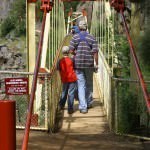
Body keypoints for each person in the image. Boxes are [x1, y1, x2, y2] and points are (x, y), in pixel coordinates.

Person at [69, 20, 99, 114]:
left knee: (81, 85)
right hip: (89, 64)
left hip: (78, 65)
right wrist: (96, 64)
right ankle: (89, 102)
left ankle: (83, 107)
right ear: (86, 27)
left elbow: (70, 50)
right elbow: (95, 52)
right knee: (89, 84)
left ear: (79, 27)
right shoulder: (92, 37)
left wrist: (76, 53)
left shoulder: (75, 37)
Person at [57, 46, 77, 114]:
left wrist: (61, 77)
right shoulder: (72, 60)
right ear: (68, 52)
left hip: (64, 79)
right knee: (71, 94)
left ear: (62, 52)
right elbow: (74, 68)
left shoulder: (60, 61)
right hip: (72, 78)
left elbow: (58, 69)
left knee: (64, 92)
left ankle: (61, 105)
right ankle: (70, 109)